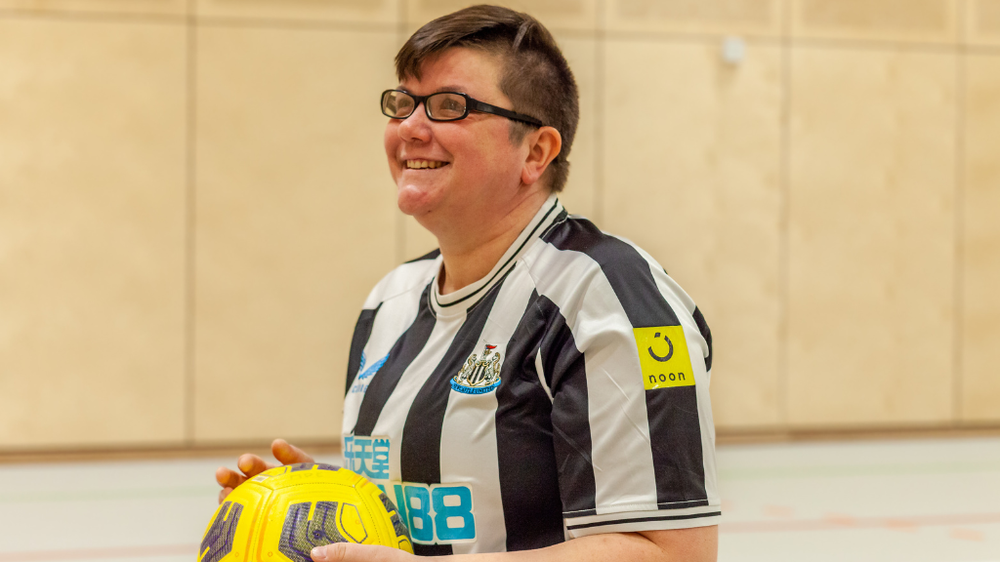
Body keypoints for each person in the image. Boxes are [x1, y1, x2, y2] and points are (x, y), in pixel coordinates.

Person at [216, 5, 720, 561]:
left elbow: (671, 553)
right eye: (403, 102)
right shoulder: (391, 301)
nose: (410, 127)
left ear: (535, 152)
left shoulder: (605, 298)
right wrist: (319, 502)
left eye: (450, 106)